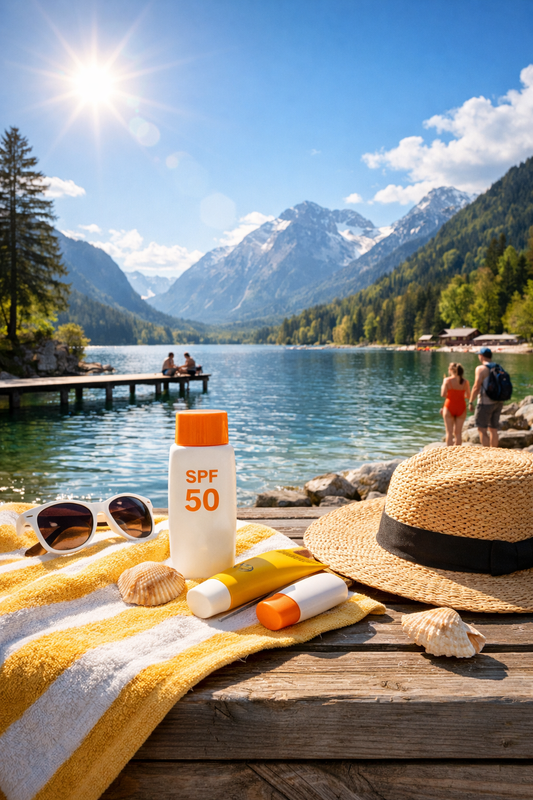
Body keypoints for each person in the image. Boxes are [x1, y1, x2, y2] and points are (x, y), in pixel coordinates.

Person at [469, 347, 503, 447]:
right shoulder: (498, 367)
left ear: (482, 356)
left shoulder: (481, 369)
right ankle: (494, 454)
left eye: (479, 355)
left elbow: (476, 386)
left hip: (485, 403)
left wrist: (471, 401)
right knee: (493, 429)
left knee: (482, 429)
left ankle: (487, 456)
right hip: (498, 401)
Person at [440, 362, 470, 446]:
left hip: (449, 406)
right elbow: (468, 396)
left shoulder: (447, 380)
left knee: (449, 433)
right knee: (458, 433)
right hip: (461, 407)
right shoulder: (465, 382)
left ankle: (450, 455)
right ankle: (457, 455)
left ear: (450, 370)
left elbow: (443, 394)